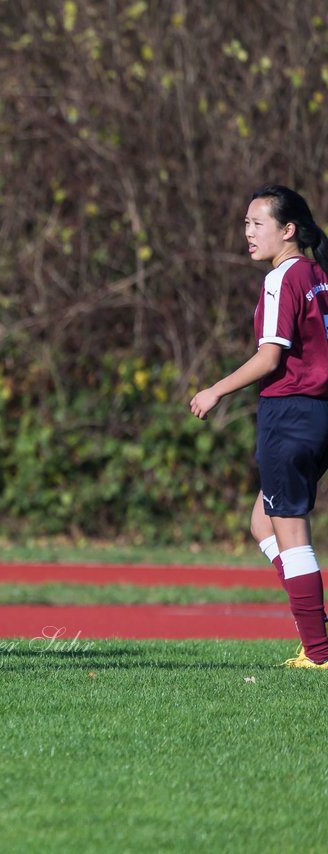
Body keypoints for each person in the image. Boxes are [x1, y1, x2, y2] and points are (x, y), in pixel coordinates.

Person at [190, 184, 328, 669]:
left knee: (293, 535)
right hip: (317, 415)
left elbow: (269, 358)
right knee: (261, 522)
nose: (247, 233)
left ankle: (318, 653)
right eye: (245, 223)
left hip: (290, 413)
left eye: (257, 224)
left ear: (288, 230)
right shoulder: (316, 273)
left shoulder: (282, 278)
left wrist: (216, 390)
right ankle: (315, 627)